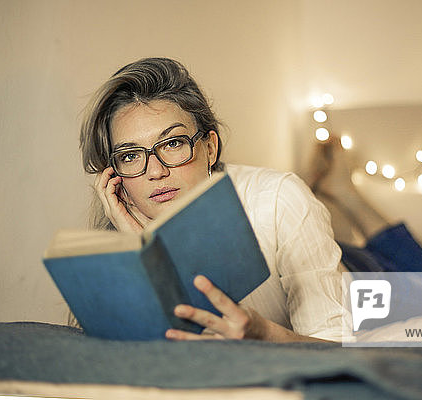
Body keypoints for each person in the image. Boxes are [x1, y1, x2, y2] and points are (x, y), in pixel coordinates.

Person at [79, 57, 348, 343]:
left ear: (210, 147)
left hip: (360, 283)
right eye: (130, 156)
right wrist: (145, 255)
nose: (156, 171)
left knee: (396, 275)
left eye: (173, 143)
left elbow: (341, 349)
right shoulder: (117, 239)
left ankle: (345, 191)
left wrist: (264, 333)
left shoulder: (278, 199)